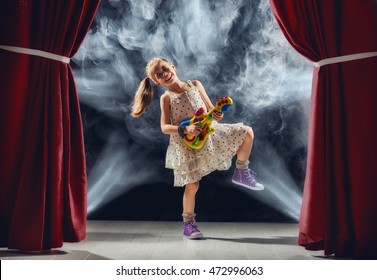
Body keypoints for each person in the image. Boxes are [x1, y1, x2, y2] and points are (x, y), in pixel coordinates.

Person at [131, 57, 264, 239]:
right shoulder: (166, 98)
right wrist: (185, 128)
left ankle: (241, 171)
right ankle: (188, 225)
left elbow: (211, 112)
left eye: (164, 69)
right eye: (159, 75)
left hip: (208, 134)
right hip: (186, 143)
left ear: (172, 66)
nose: (164, 74)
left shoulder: (195, 85)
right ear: (157, 82)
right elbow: (164, 127)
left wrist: (216, 113)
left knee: (246, 132)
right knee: (192, 185)